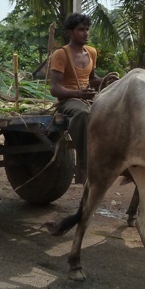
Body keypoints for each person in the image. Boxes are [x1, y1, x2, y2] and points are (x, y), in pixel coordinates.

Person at [49, 13, 113, 183]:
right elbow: (54, 89)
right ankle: (84, 165)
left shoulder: (91, 52)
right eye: (81, 30)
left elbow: (92, 80)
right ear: (70, 32)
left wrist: (107, 80)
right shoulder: (61, 54)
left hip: (87, 97)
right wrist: (77, 93)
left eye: (87, 29)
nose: (86, 33)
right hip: (68, 100)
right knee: (82, 114)